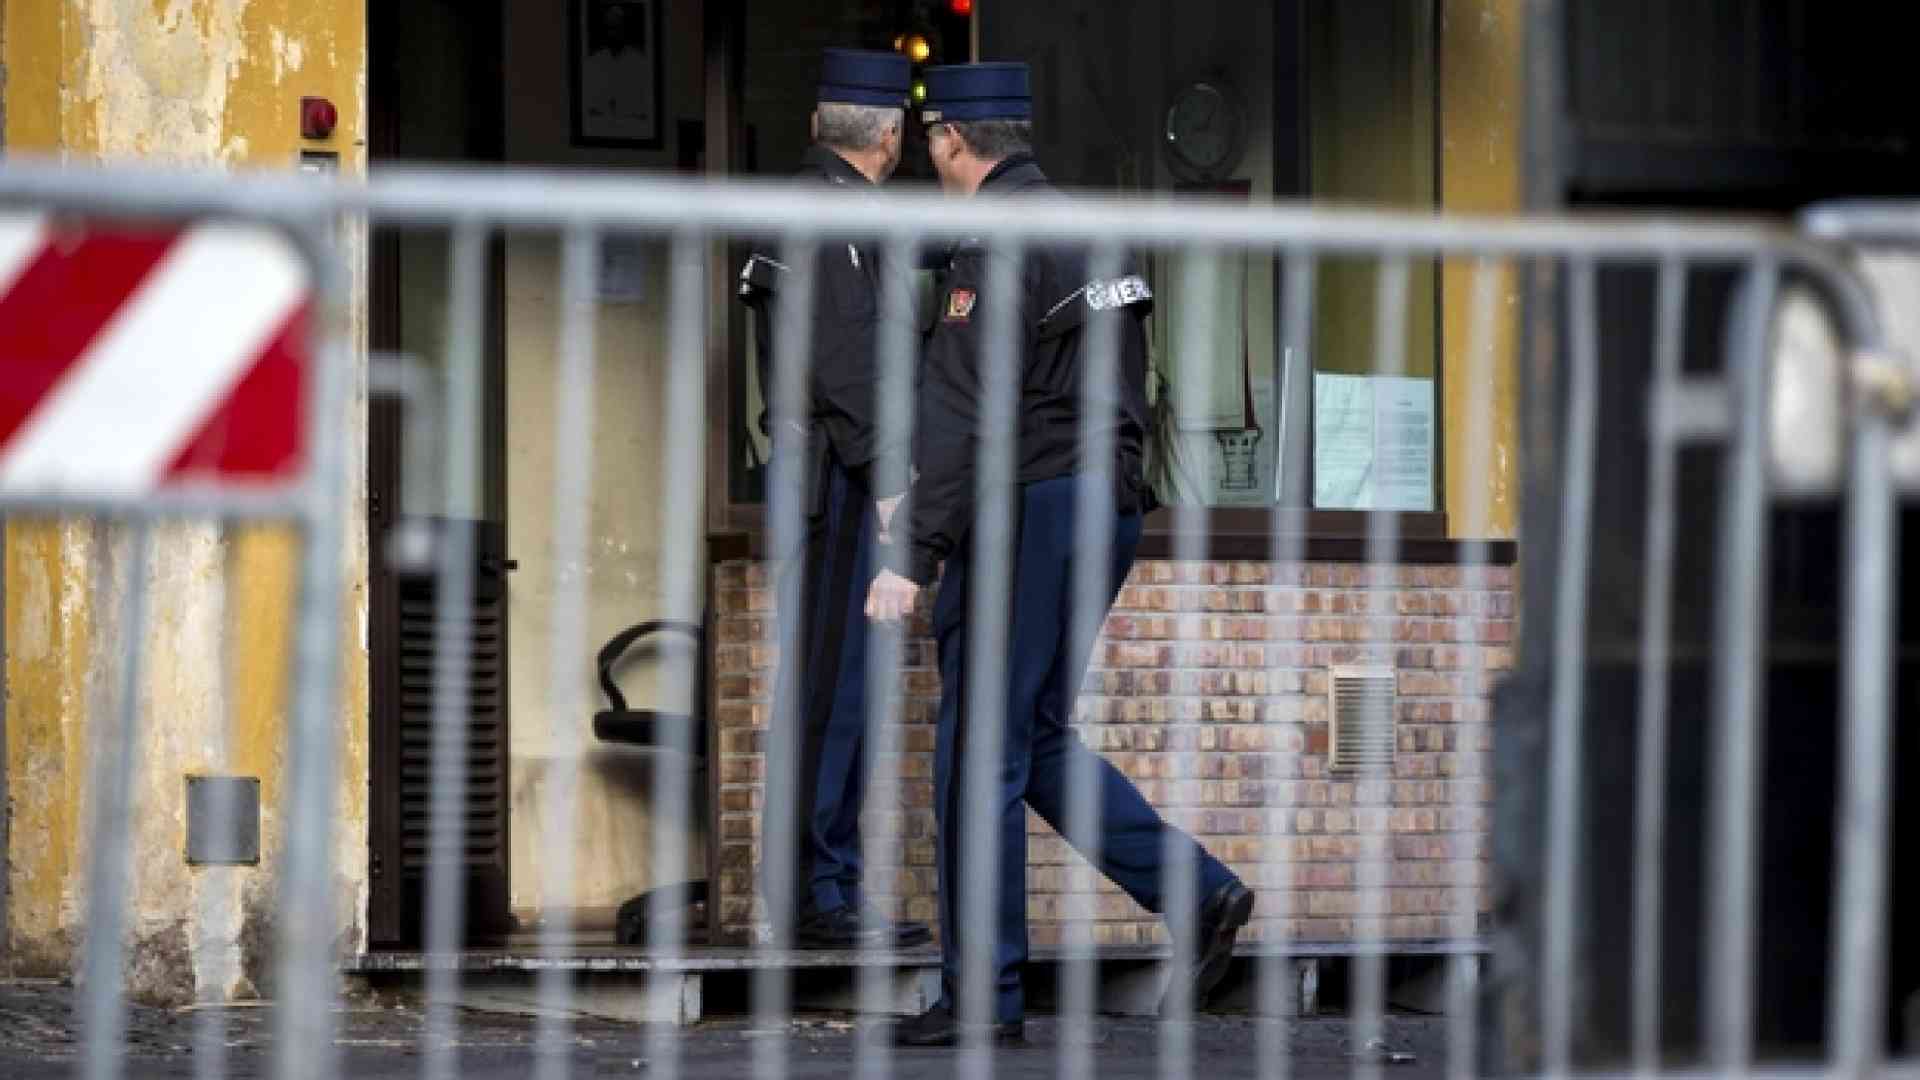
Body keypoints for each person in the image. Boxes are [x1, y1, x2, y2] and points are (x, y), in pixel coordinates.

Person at [864, 61, 1254, 1047]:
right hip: (1106, 504)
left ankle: (983, 999)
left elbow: (965, 411)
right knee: (1030, 738)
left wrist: (911, 550)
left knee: (978, 752)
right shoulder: (1090, 228)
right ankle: (1197, 891)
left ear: (952, 140)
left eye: (931, 141)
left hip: (1030, 507)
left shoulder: (995, 242)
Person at [736, 48, 931, 951]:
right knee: (834, 689)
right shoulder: (839, 217)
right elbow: (851, 367)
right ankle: (819, 894)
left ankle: (820, 887)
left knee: (826, 685)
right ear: (889, 137)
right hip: (839, 484)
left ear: (819, 124)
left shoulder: (805, 205)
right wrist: (891, 486)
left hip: (816, 476)